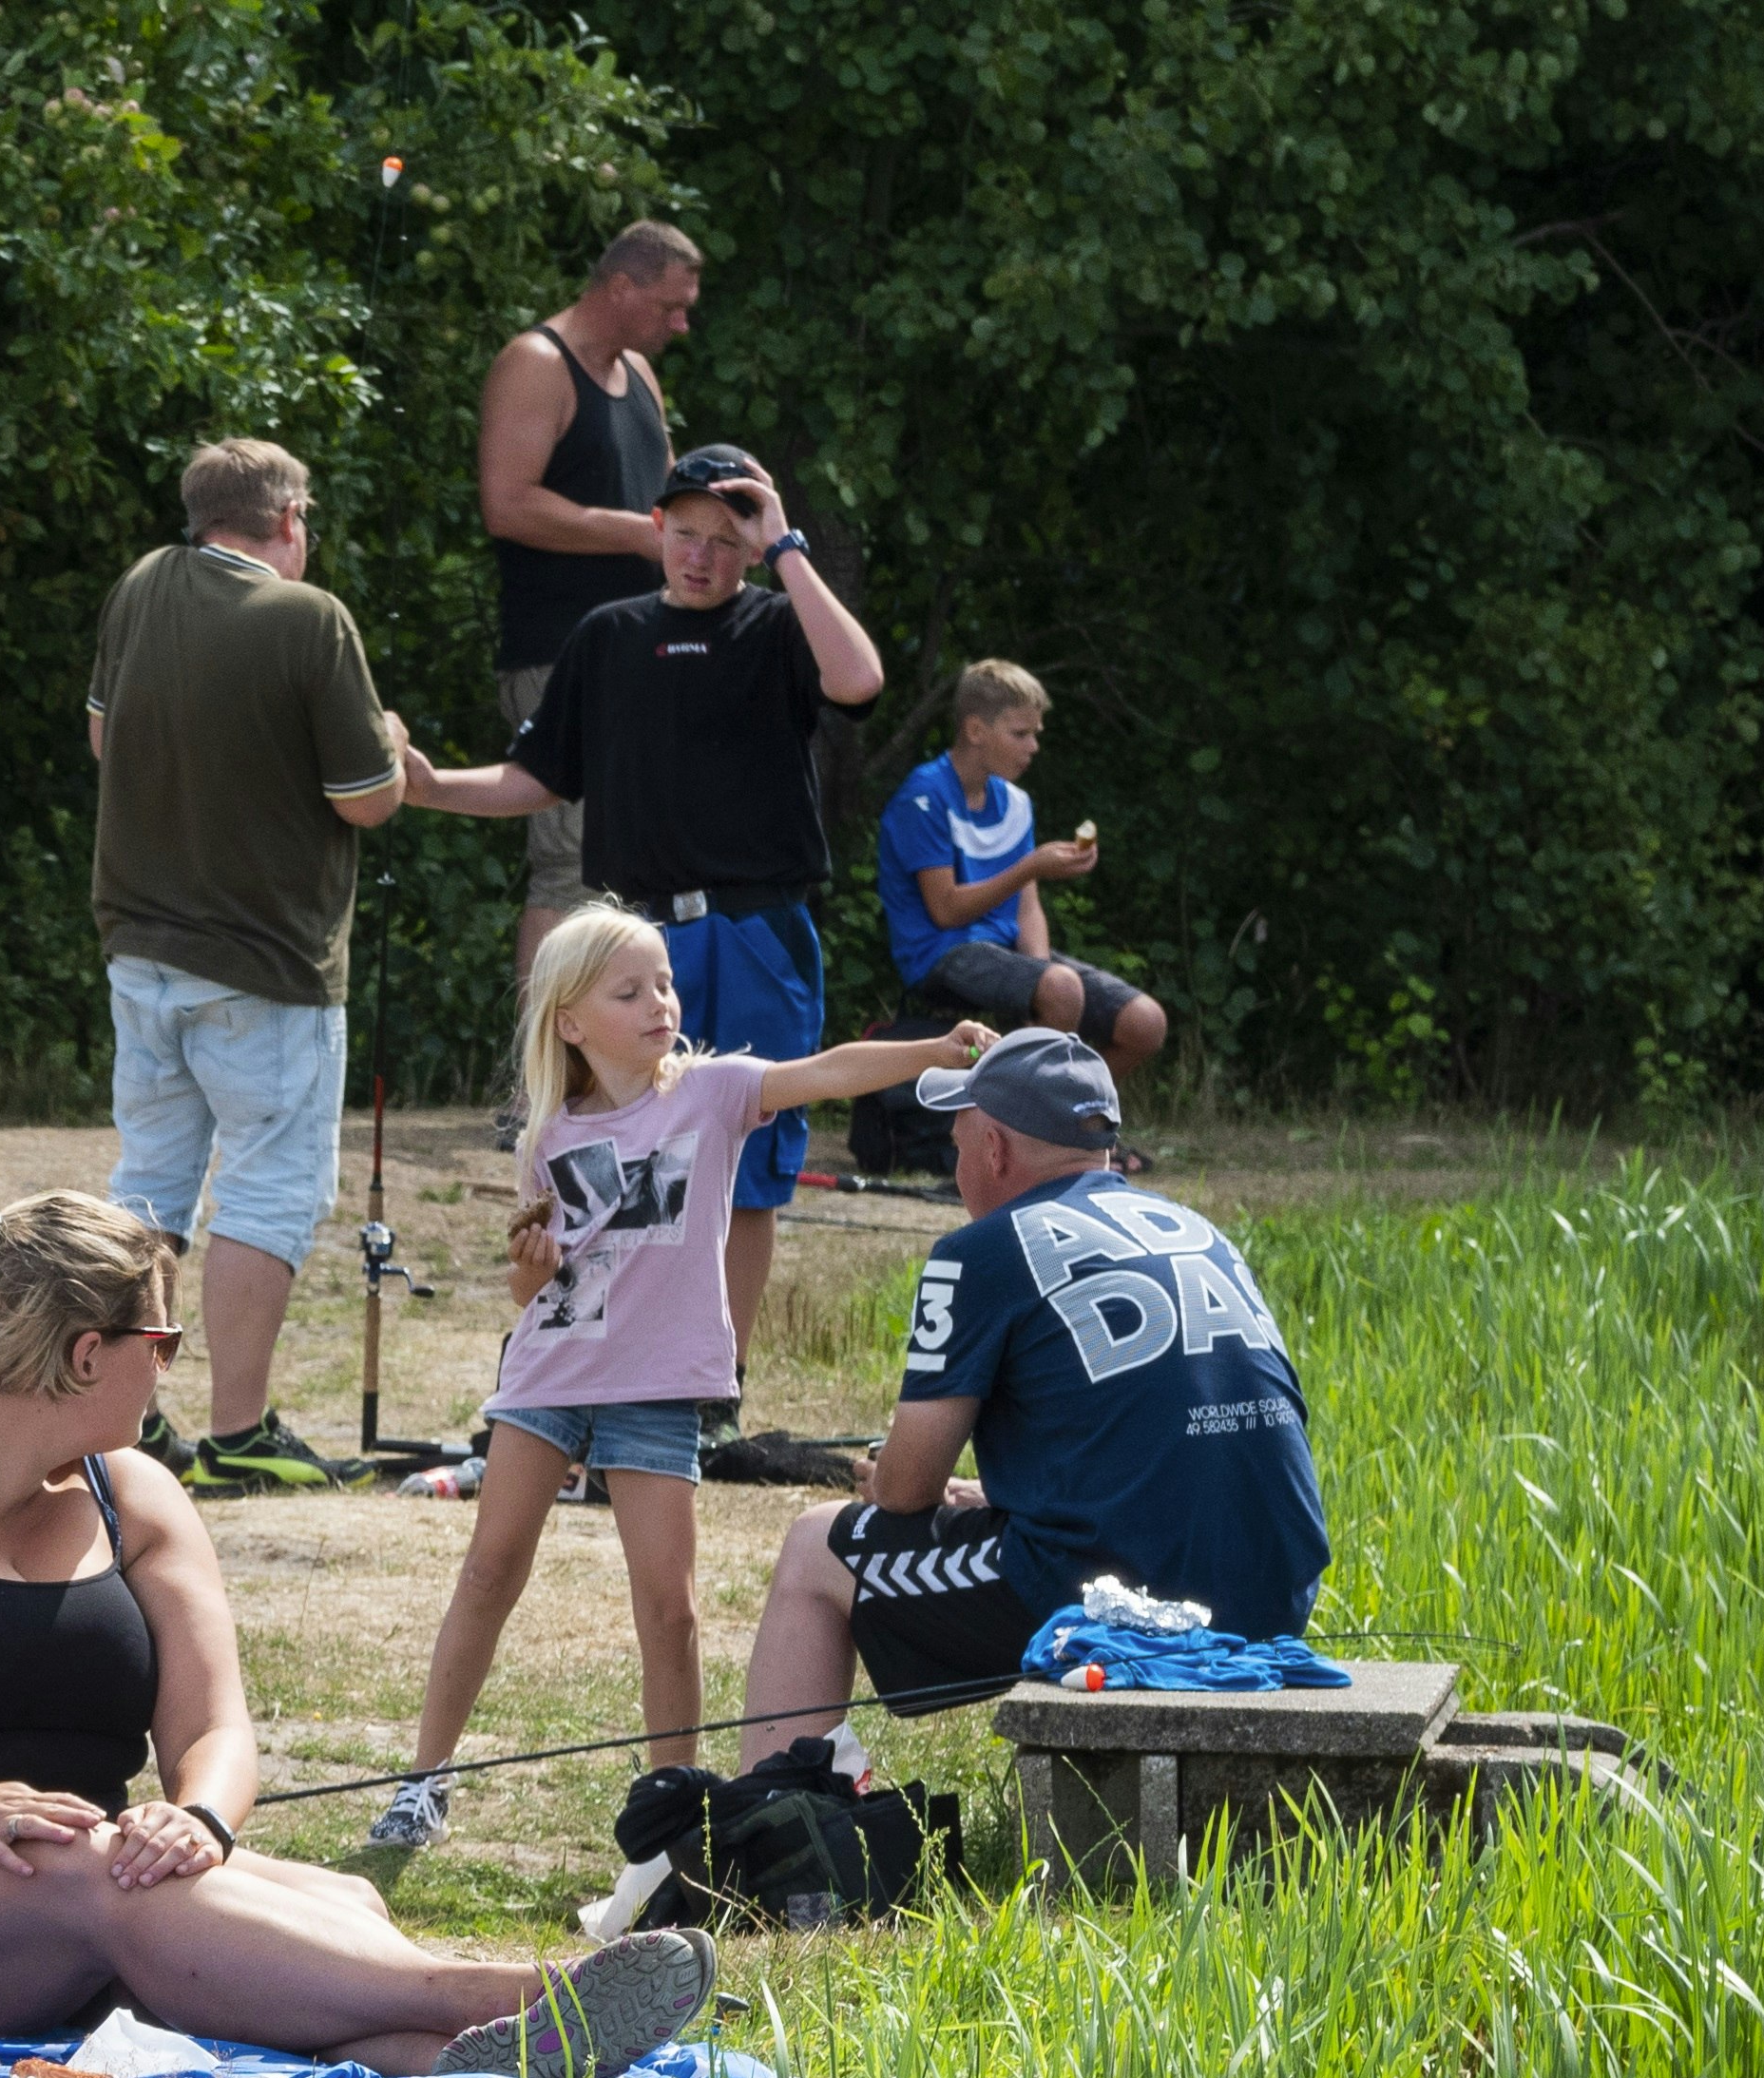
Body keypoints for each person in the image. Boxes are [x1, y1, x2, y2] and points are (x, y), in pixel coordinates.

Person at [0, 1185, 715, 2078]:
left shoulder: (134, 1495)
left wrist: (197, 1819)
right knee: (107, 1878)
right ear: (85, 1353)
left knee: (340, 1905)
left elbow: (216, 1730)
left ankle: (480, 2068)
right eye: (166, 1344)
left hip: (88, 1882)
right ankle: (508, 1996)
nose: (168, 1372)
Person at [364, 912, 989, 1853]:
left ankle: (673, 1805)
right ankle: (423, 1781)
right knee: (490, 1568)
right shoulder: (547, 1132)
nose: (659, 1002)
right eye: (630, 991)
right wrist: (529, 1269)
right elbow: (537, 1287)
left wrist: (934, 1050)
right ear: (569, 1021)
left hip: (657, 1388)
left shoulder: (711, 1093)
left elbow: (823, 1071)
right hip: (550, 1374)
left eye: (662, 983)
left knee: (670, 1605)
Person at [397, 443, 884, 1394]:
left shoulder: (780, 623)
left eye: (722, 537)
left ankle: (714, 1383)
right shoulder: (607, 634)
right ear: (656, 529)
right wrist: (427, 788)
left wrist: (783, 542)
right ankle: (605, 1360)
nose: (700, 555)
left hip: (753, 929)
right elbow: (536, 778)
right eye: (684, 533)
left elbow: (858, 680)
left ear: (747, 545)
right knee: (608, 1148)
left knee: (744, 1163)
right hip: (630, 938)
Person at [735, 1034, 1328, 1755]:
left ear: (994, 1148)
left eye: (957, 1147)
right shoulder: (1202, 1233)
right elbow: (1164, 1440)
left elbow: (903, 1492)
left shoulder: (978, 1252)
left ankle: (777, 1826)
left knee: (813, 1549)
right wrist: (994, 1498)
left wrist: (888, 1473)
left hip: (1127, 1595)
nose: (957, 1172)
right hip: (1279, 1588)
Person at [86, 438, 411, 1494]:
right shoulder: (308, 618)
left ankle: (123, 1420)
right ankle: (239, 1433)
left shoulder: (141, 585)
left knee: (147, 1191)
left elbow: (103, 740)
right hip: (268, 961)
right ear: (287, 517)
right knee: (267, 1195)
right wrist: (390, 744)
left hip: (139, 946)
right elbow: (366, 796)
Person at [477, 218, 701, 981]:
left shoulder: (638, 372)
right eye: (670, 306)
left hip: (647, 652)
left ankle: (611, 1080)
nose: (681, 323)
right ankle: (534, 1089)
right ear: (621, 286)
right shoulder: (536, 363)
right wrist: (635, 535)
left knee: (642, 865)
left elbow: (668, 501)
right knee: (569, 863)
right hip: (559, 656)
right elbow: (506, 504)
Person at [876, 659, 1167, 1081]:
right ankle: (1035, 1127)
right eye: (1020, 734)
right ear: (976, 731)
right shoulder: (924, 797)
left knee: (1146, 1023)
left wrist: (1041, 971)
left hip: (1002, 949)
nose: (1033, 747)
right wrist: (1031, 866)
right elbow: (945, 910)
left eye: (1036, 734)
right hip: (938, 954)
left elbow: (1026, 908)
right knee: (1061, 986)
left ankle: (1075, 1112)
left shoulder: (1015, 803)